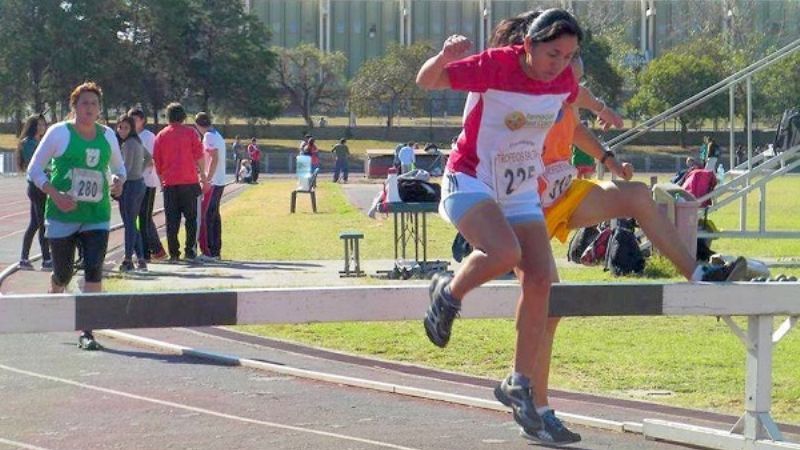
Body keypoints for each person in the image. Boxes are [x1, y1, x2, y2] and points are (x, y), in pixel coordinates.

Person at [416, 8, 584, 442]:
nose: (559, 65)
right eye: (552, 54)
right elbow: (427, 81)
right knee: (505, 252)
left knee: (543, 280)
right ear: (527, 45)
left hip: (519, 188)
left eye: (568, 57)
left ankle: (519, 383)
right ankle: (447, 293)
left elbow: (571, 106)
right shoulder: (496, 64)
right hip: (471, 177)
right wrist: (443, 57)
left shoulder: (565, 83)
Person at [27, 81, 126, 350]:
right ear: (74, 106)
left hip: (97, 214)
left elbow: (119, 168)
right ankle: (56, 286)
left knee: (94, 270)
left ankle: (88, 331)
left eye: (94, 104)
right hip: (62, 214)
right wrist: (55, 194)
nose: (89, 108)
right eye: (84, 103)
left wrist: (118, 181)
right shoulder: (59, 133)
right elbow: (34, 170)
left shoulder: (107, 135)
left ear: (99, 108)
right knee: (64, 272)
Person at [153, 102, 208, 262]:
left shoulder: (161, 136)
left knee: (172, 220)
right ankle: (190, 251)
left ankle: (174, 254)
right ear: (183, 116)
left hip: (170, 184)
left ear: (167, 117)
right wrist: (203, 177)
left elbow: (158, 163)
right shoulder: (191, 133)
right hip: (189, 181)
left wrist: (162, 181)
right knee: (192, 219)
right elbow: (199, 156)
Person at [129, 107, 166, 261]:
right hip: (133, 183)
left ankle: (146, 253)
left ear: (143, 121)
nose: (133, 122)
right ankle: (155, 249)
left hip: (147, 182)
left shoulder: (148, 137)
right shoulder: (129, 136)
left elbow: (150, 160)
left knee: (144, 217)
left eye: (136, 119)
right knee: (138, 217)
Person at [116, 114, 151, 272]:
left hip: (130, 185)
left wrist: (116, 184)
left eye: (125, 127)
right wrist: (141, 172)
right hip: (138, 184)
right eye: (120, 127)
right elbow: (149, 159)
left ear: (131, 129)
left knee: (129, 223)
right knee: (132, 222)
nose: (122, 130)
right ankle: (141, 258)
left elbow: (126, 168)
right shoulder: (137, 142)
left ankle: (128, 259)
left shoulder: (129, 144)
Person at [17, 114, 51, 270]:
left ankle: (24, 258)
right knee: (43, 223)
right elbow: (36, 164)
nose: (42, 127)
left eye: (43, 124)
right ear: (32, 126)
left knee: (34, 224)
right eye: (38, 125)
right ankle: (46, 259)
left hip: (43, 185)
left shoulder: (40, 142)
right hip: (36, 187)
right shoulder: (29, 143)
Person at [195, 112, 226, 261]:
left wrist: (207, 179)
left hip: (213, 182)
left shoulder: (208, 137)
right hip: (219, 181)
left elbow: (214, 158)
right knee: (214, 216)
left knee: (206, 216)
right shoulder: (217, 134)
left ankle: (209, 251)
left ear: (198, 125)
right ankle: (215, 250)